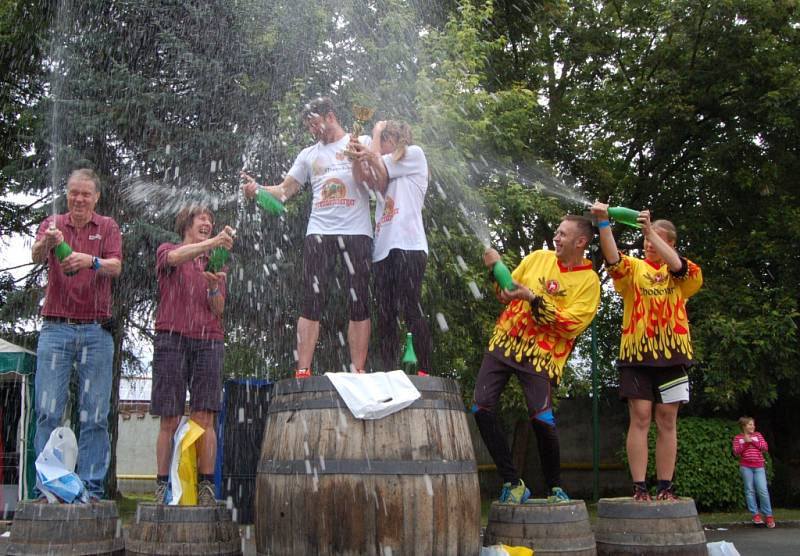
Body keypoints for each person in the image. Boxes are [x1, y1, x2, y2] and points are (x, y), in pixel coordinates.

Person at [241, 96, 372, 377]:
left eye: (315, 124)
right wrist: (258, 189)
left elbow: (372, 180)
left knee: (358, 300)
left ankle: (358, 369)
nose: (313, 130)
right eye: (309, 127)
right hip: (319, 232)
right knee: (311, 300)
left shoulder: (360, 140)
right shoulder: (308, 154)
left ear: (331, 116)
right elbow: (284, 191)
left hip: (357, 231)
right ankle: (303, 369)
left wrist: (361, 155)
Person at [473, 216, 600, 503]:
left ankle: (555, 487)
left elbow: (571, 325)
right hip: (505, 341)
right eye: (556, 232)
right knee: (480, 408)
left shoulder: (589, 282)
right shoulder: (536, 258)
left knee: (541, 418)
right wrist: (496, 270)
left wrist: (532, 298)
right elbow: (505, 294)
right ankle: (513, 481)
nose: (556, 237)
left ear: (581, 242)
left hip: (542, 355)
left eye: (563, 234)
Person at [591, 202, 703, 501]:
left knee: (667, 419)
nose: (648, 244)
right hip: (636, 355)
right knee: (640, 416)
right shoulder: (635, 268)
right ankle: (639, 487)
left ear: (671, 244)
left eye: (655, 239)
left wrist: (651, 231)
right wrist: (603, 223)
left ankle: (666, 486)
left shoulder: (685, 271)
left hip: (673, 355)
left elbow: (677, 266)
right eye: (645, 239)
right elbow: (613, 259)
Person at [31, 168, 123, 501]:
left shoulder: (108, 227)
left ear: (96, 197)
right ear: (67, 194)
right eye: (74, 193)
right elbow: (35, 255)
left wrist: (90, 260)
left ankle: (92, 490)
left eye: (86, 193)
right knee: (48, 411)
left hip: (97, 331)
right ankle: (47, 488)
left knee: (95, 414)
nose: (79, 199)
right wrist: (48, 242)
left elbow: (116, 266)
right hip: (55, 328)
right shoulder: (53, 224)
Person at [151, 205, 235, 505]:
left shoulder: (216, 260)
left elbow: (219, 309)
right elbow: (175, 258)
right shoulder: (168, 250)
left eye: (211, 221)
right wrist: (212, 244)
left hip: (209, 341)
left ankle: (205, 486)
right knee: (169, 418)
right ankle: (162, 485)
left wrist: (214, 289)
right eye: (202, 219)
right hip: (171, 338)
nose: (208, 223)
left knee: (205, 418)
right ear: (186, 223)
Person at [350, 120, 432, 374]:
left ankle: (425, 370)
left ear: (393, 139)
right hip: (383, 250)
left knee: (411, 308)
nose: (380, 149)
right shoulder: (385, 170)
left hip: (408, 245)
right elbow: (368, 172)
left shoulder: (414, 155)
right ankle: (388, 370)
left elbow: (375, 158)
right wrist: (355, 153)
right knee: (385, 315)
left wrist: (374, 132)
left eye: (383, 142)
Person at [733, 417, 776, 528]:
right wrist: (746, 444)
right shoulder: (738, 438)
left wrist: (752, 441)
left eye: (753, 424)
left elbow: (765, 447)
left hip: (759, 467)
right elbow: (736, 452)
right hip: (746, 467)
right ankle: (755, 514)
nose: (753, 426)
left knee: (763, 490)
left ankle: (768, 515)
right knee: (749, 490)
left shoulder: (758, 435)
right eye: (750, 424)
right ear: (744, 426)